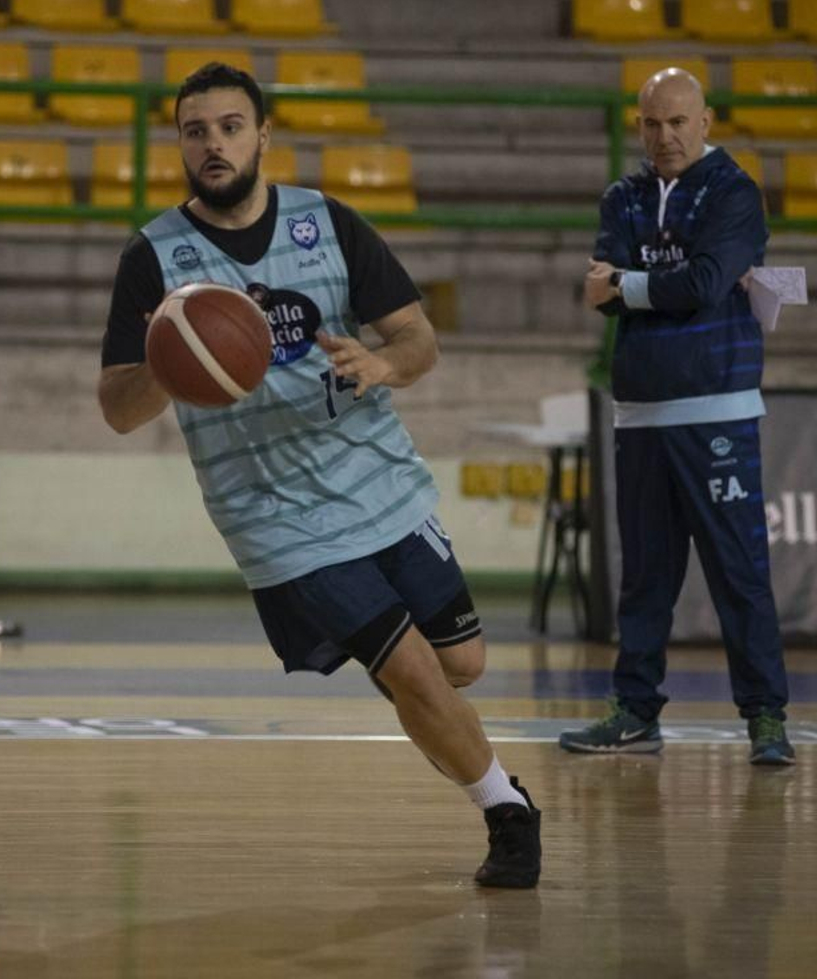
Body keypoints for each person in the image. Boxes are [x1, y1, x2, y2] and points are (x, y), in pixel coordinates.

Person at [97, 63, 542, 888]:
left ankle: (447, 731)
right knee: (407, 668)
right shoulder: (153, 257)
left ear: (263, 135)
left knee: (462, 665)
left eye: (230, 127)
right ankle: (506, 809)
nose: (213, 145)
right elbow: (119, 409)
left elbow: (420, 340)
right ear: (180, 144)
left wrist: (382, 363)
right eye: (196, 131)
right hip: (272, 513)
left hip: (378, 477)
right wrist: (176, 354)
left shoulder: (327, 223)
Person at [560, 68, 795, 766]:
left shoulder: (734, 194)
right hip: (638, 415)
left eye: (678, 122)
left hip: (717, 410)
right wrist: (637, 288)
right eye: (652, 124)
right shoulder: (623, 197)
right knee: (646, 577)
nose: (664, 136)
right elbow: (601, 292)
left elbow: (698, 285)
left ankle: (766, 717)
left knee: (738, 572)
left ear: (706, 121)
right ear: (639, 126)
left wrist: (628, 285)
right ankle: (635, 710)